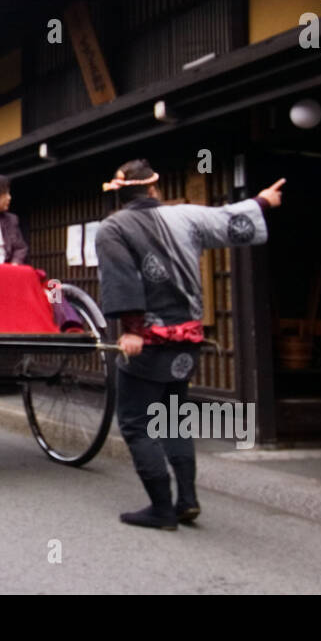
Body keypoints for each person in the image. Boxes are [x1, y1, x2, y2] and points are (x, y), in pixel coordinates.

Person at [95, 158, 284, 530]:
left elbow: (122, 280)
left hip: (146, 342)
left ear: (121, 195)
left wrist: (131, 328)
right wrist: (262, 201)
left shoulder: (112, 228)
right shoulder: (185, 216)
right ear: (153, 189)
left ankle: (162, 508)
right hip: (187, 341)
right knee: (174, 420)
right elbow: (230, 219)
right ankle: (187, 500)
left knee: (136, 423)